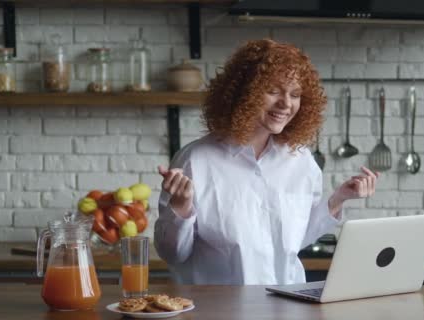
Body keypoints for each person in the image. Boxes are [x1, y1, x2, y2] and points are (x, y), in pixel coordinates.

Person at [155, 39, 380, 285]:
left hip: (288, 305)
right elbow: (173, 255)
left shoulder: (301, 160)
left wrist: (338, 199)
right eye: (273, 91)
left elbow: (293, 242)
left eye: (295, 94)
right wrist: (181, 207)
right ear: (244, 92)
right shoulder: (195, 160)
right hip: (220, 309)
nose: (286, 103)